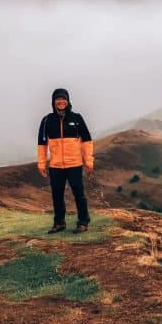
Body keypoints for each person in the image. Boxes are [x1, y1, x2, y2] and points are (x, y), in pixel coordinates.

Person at [37, 88, 94, 233]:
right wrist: (42, 163)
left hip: (74, 164)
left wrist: (88, 161)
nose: (61, 101)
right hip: (55, 165)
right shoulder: (47, 120)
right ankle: (59, 223)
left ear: (68, 101)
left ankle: (83, 222)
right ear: (53, 102)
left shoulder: (77, 118)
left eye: (63, 99)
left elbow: (86, 141)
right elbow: (42, 144)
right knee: (57, 194)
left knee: (78, 194)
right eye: (58, 99)